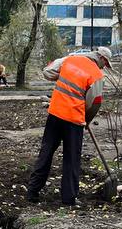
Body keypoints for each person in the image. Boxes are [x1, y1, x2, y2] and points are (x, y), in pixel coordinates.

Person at [27, 46, 112, 206]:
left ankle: (32, 192)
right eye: (105, 64)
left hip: (55, 114)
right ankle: (69, 198)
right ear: (101, 58)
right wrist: (87, 119)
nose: (103, 68)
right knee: (72, 159)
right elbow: (95, 102)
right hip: (74, 120)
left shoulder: (70, 59)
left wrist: (64, 76)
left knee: (46, 152)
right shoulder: (96, 75)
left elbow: (48, 72)